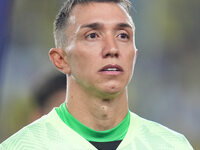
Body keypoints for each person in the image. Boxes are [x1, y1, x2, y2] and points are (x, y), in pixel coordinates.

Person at [0, 0, 193, 149]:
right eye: (92, 35)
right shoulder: (23, 146)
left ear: (134, 55)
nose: (112, 48)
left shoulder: (172, 145)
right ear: (60, 59)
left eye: (123, 36)